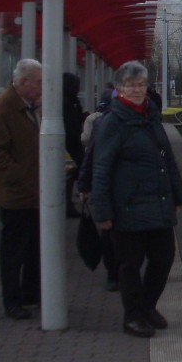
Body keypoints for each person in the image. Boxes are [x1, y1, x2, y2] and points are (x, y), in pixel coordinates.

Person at [90, 61, 182, 338]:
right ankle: (132, 317)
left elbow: (166, 159)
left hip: (156, 203)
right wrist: (103, 210)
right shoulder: (112, 122)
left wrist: (178, 195)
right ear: (119, 89)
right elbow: (101, 168)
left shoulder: (150, 116)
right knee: (130, 265)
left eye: (140, 84)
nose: (136, 89)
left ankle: (147, 306)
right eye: (130, 85)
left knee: (163, 258)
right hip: (127, 206)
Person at [0, 58, 43, 319]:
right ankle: (12, 300)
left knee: (32, 247)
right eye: (38, 82)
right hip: (15, 194)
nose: (42, 87)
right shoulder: (5, 106)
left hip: (31, 193)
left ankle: (31, 293)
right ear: (23, 82)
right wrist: (20, 176)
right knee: (14, 250)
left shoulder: (29, 106)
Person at [77, 87, 119, 291]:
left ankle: (119, 274)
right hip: (108, 187)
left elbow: (160, 151)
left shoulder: (144, 120)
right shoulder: (102, 123)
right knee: (110, 232)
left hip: (128, 188)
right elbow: (91, 154)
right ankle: (113, 273)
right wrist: (84, 184)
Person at [62, 72, 87, 219]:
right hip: (67, 148)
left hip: (70, 146)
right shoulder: (68, 103)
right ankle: (66, 205)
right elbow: (71, 124)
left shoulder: (70, 101)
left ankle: (67, 204)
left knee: (70, 175)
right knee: (69, 175)